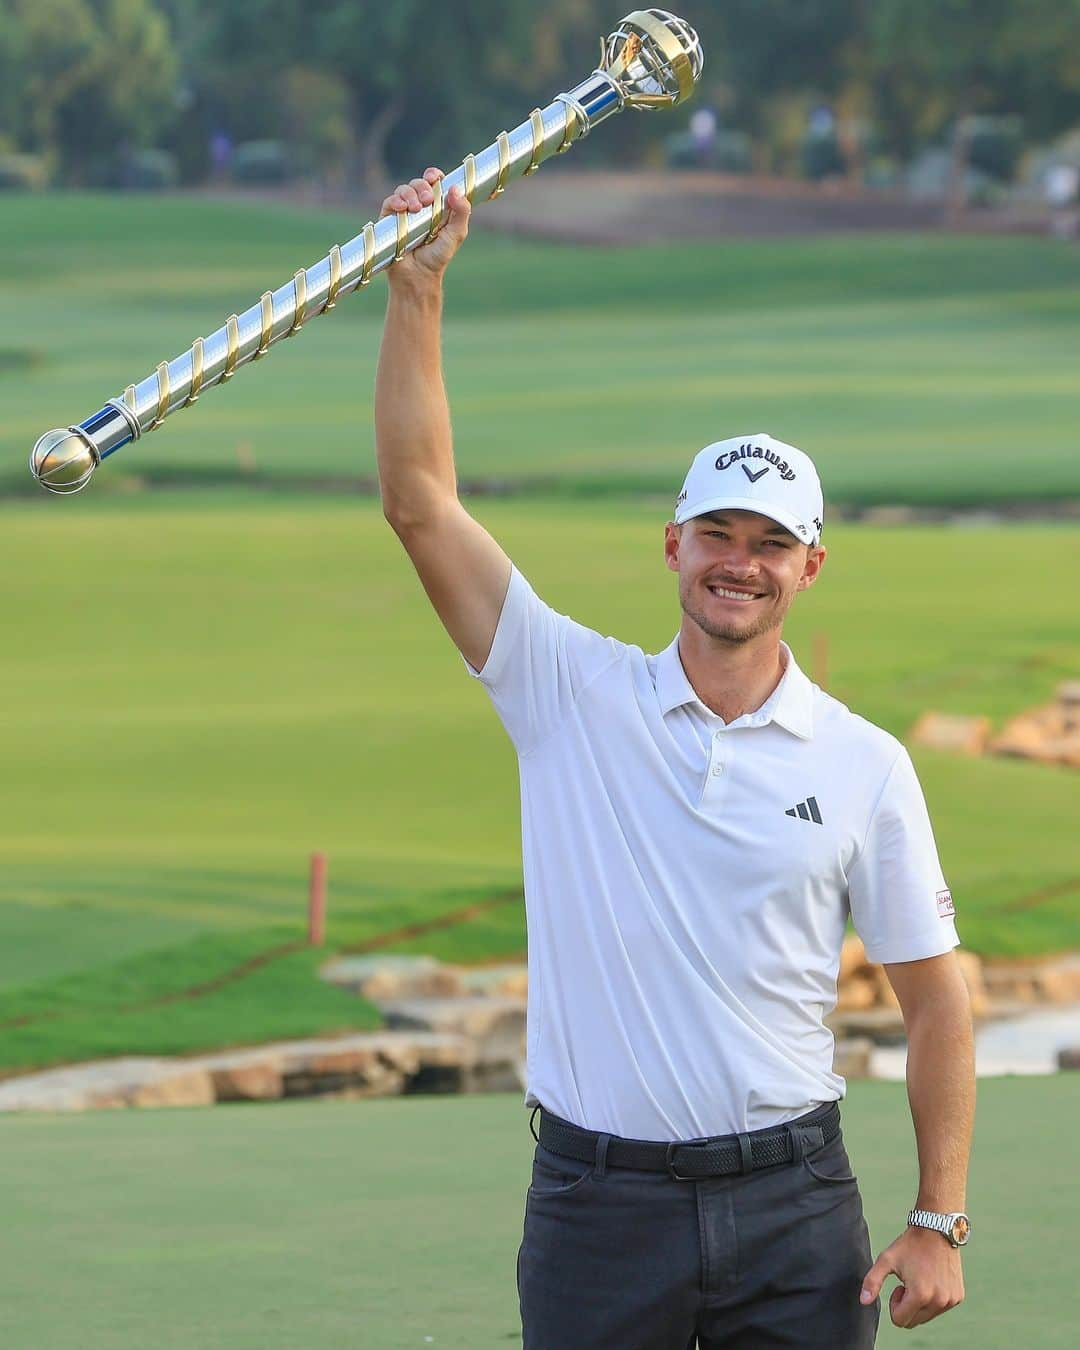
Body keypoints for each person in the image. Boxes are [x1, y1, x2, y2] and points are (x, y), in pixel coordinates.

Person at [374, 166, 976, 1349]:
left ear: (810, 568)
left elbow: (938, 998)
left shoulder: (864, 763)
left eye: (769, 543)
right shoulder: (567, 689)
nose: (737, 562)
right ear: (673, 544)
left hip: (795, 1205)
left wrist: (938, 1216)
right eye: (716, 534)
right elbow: (420, 505)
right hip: (600, 1209)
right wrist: (416, 292)